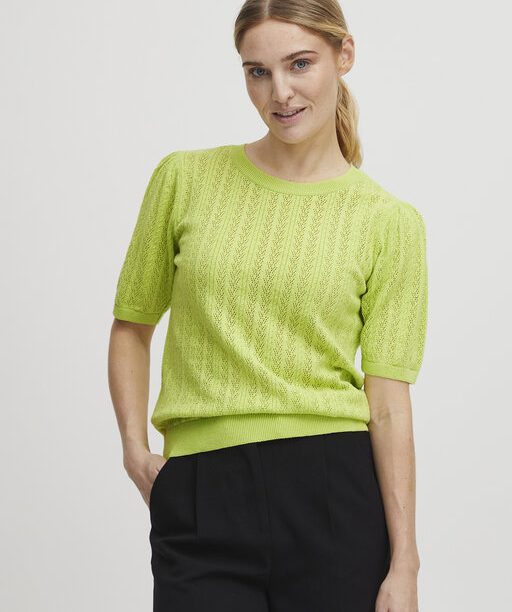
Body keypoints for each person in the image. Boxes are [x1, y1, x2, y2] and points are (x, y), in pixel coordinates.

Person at [108, 1, 428, 610]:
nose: (279, 92)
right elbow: (132, 325)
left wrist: (405, 561)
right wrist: (134, 450)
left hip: (333, 493)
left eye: (299, 64)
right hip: (200, 492)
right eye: (258, 71)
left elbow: (389, 403)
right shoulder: (184, 179)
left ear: (344, 55)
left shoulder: (389, 222)